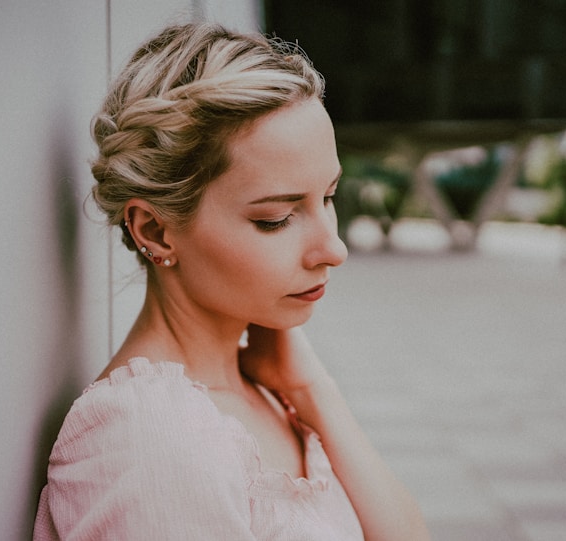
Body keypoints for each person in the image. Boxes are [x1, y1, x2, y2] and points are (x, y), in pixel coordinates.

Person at [34, 21, 430, 541]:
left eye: (328, 197)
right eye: (276, 219)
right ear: (154, 229)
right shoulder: (147, 438)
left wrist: (317, 393)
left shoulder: (264, 389)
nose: (334, 249)